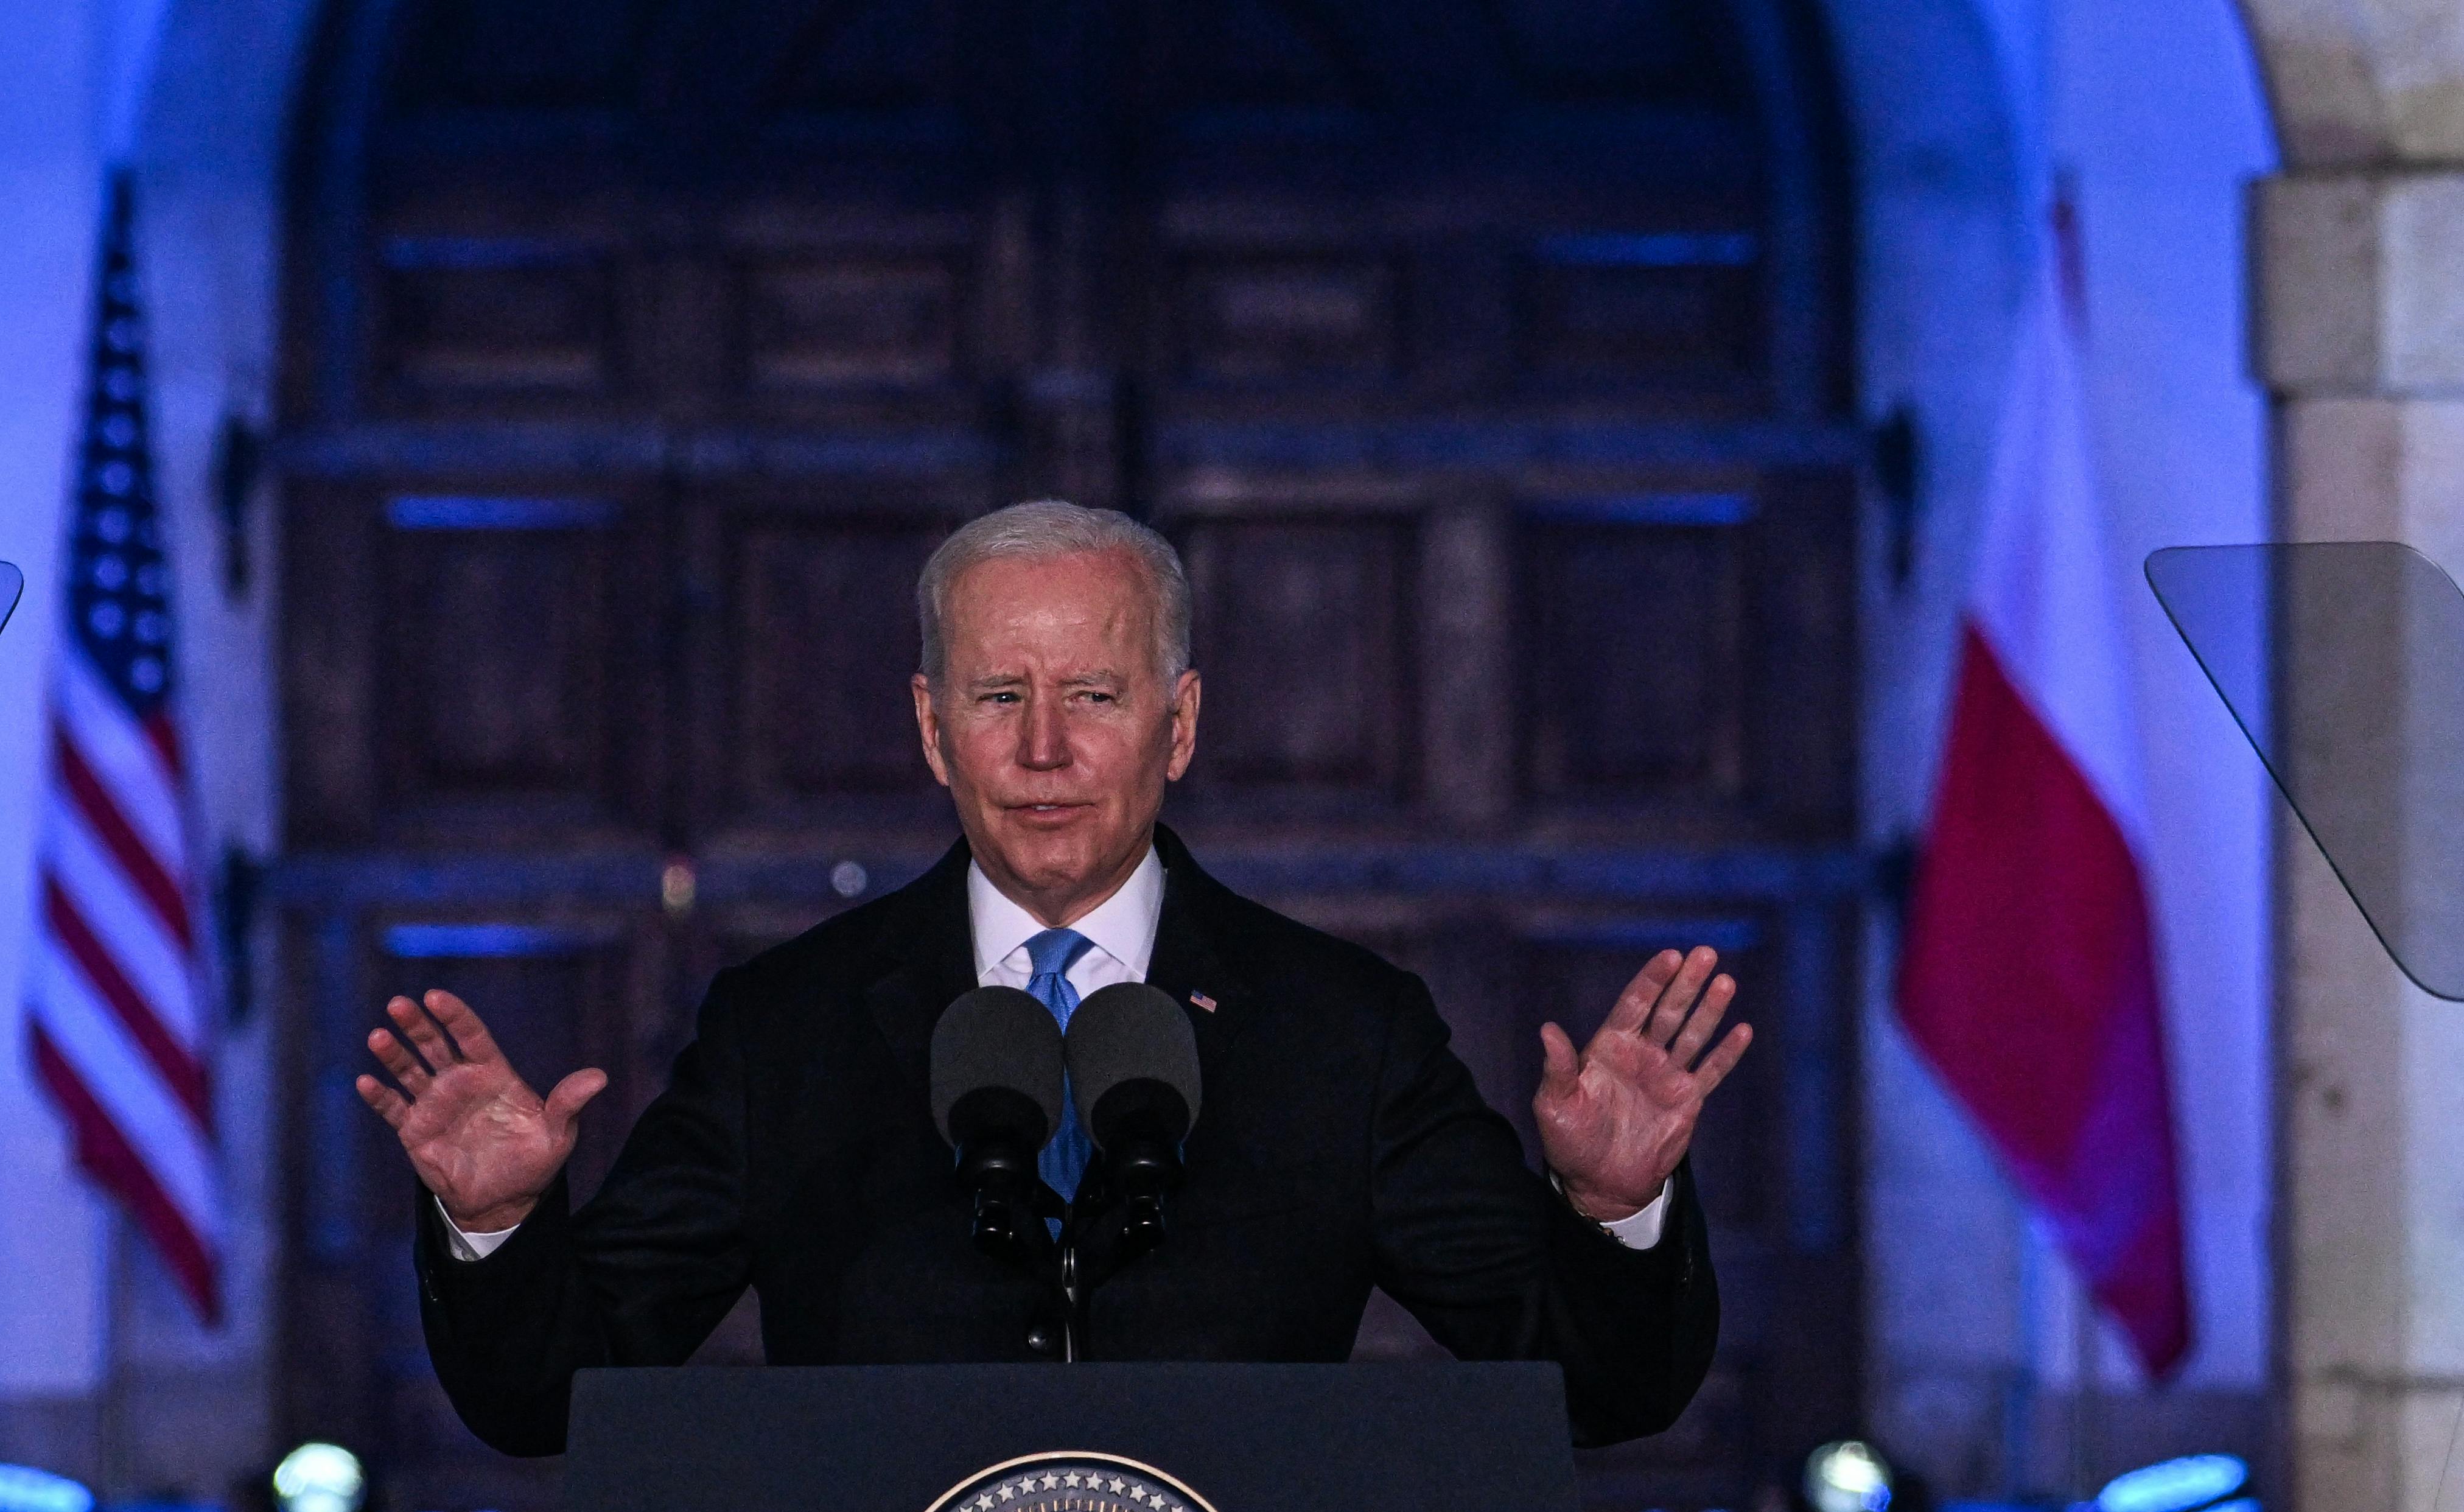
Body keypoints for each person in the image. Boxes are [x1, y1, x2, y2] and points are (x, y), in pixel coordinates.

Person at [359, 501, 1751, 1456]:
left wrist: (1613, 1210)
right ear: (929, 728)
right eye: (993, 697)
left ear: (1179, 722)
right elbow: (556, 1394)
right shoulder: (788, 1027)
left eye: (1091, 697)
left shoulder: (1341, 1029)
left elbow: (1594, 1385)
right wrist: (497, 1230)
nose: (1041, 753)